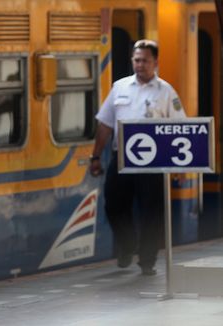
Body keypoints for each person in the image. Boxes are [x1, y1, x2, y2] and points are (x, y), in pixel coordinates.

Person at [89, 40, 186, 276]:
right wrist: (95, 156)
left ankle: (147, 261)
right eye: (136, 59)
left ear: (155, 62)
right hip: (121, 158)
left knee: (151, 212)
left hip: (154, 163)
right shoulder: (119, 88)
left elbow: (180, 127)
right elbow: (105, 124)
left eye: (144, 60)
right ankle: (128, 244)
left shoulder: (166, 92)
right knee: (113, 205)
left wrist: (181, 166)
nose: (139, 64)